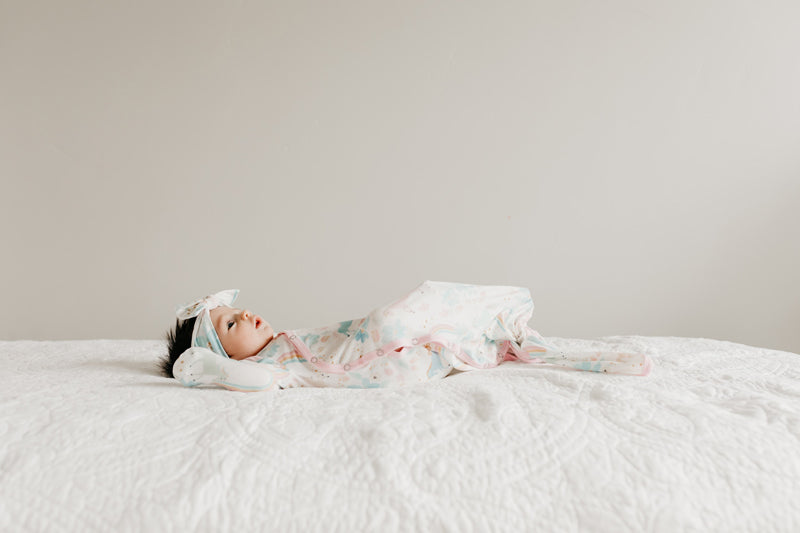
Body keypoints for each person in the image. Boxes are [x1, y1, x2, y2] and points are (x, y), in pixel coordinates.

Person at [160, 281, 653, 392]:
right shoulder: (265, 368)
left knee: (434, 326)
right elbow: (253, 383)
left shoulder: (278, 345)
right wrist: (208, 369)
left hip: (391, 352)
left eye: (237, 311)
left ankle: (509, 339)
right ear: (223, 356)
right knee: (404, 316)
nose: (246, 314)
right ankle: (504, 328)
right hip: (382, 360)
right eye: (230, 325)